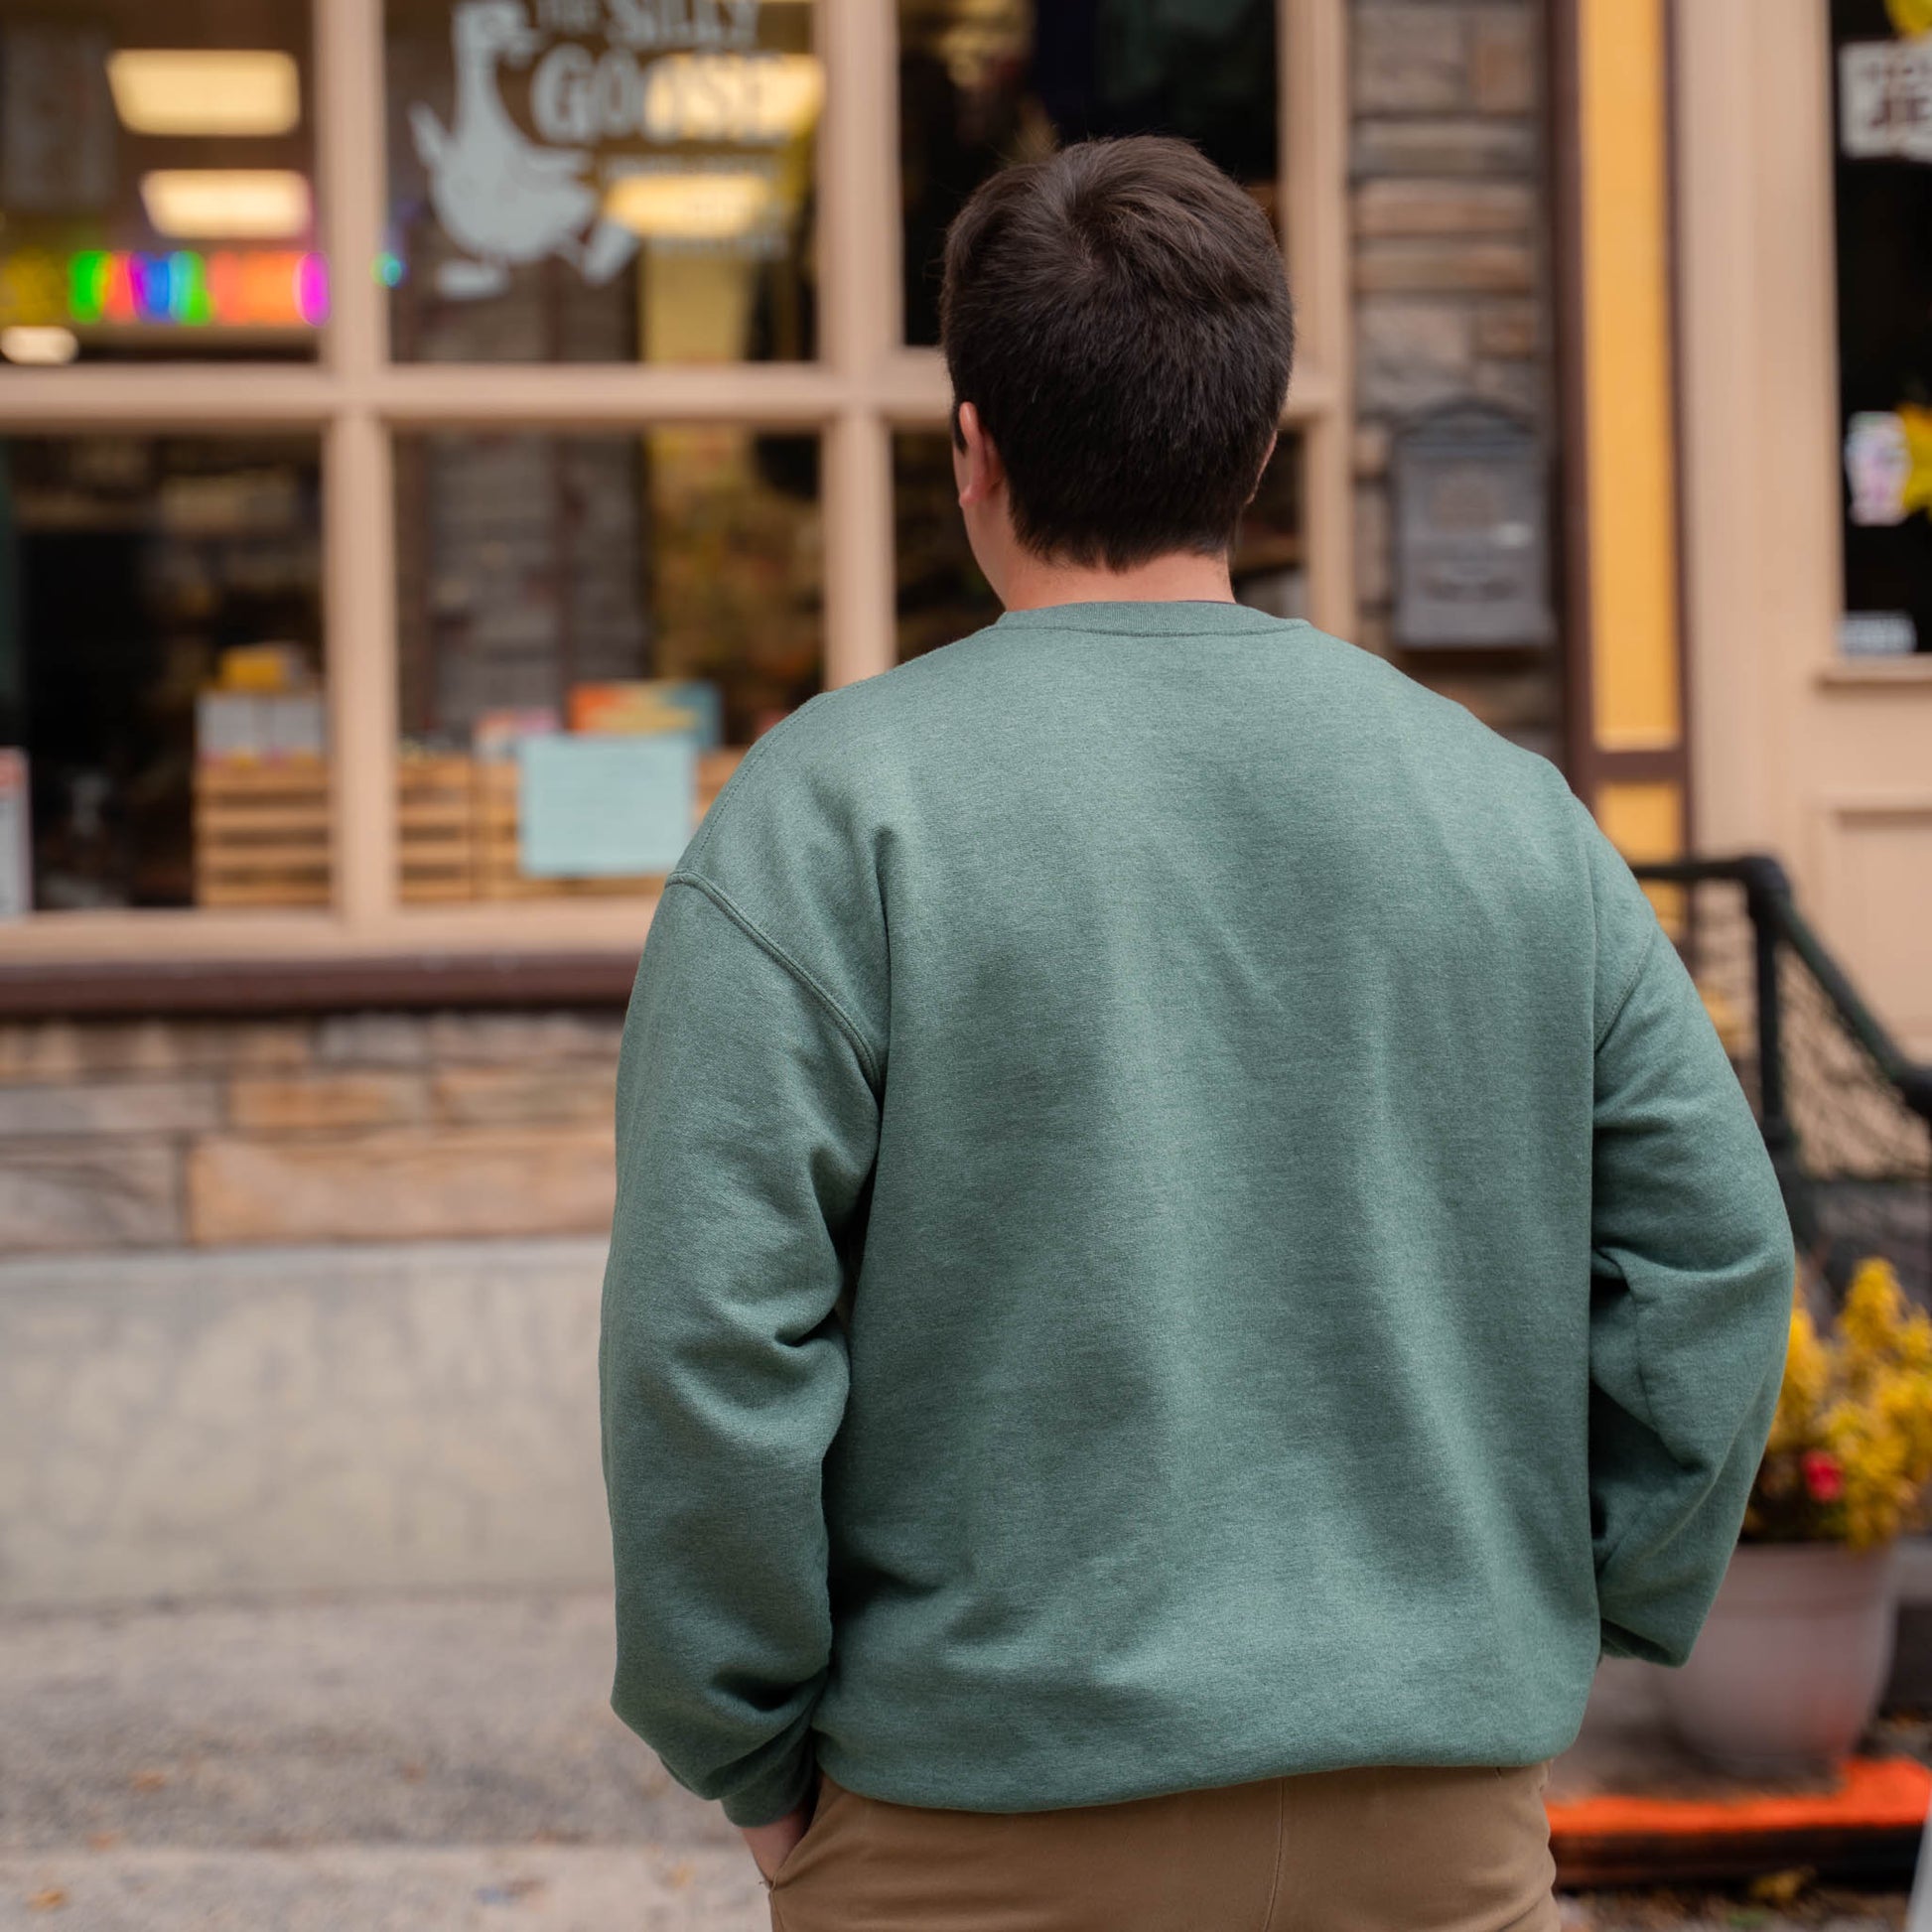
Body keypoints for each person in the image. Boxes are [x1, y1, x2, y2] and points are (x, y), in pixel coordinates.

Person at [598, 135, 1796, 1931]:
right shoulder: (1505, 812)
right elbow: (1714, 1257)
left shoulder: (824, 814)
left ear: (971, 447)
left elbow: (707, 1333)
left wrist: (745, 1747)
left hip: (967, 1835)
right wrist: (1567, 1600)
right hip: (1431, 1830)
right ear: (1253, 449)